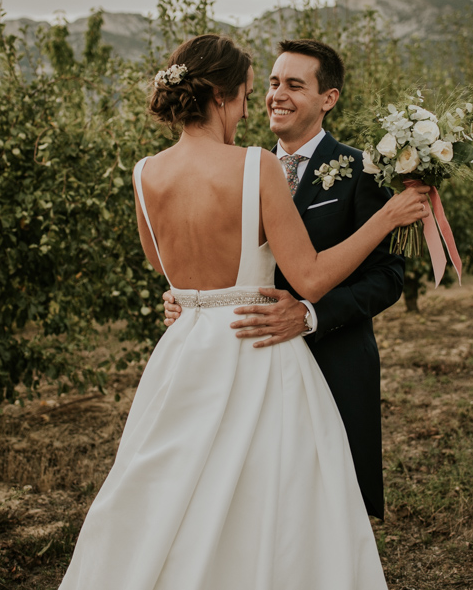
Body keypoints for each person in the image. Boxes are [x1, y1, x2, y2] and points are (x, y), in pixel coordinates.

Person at [57, 34, 428, 590]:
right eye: (255, 91)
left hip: (186, 351)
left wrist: (190, 297)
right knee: (271, 495)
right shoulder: (256, 165)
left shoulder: (143, 174)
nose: (257, 104)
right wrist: (389, 217)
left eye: (286, 85)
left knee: (171, 486)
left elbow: (167, 271)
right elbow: (308, 276)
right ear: (223, 97)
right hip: (255, 352)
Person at [164, 38, 404, 519]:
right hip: (245, 361)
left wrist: (311, 315)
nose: (276, 94)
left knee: (329, 505)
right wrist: (185, 299)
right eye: (272, 83)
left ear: (328, 98)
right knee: (253, 503)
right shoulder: (240, 166)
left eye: (295, 84)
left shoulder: (363, 171)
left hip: (333, 356)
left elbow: (388, 276)